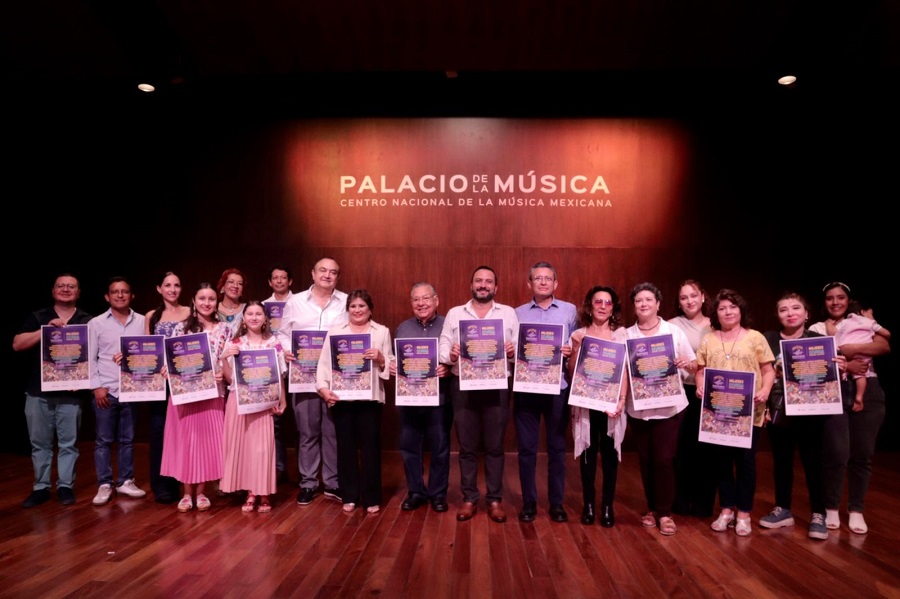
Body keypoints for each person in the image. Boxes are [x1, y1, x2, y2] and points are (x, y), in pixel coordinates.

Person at [809, 282, 890, 534]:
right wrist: (848, 365)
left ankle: (856, 509)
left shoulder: (862, 320)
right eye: (830, 298)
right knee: (836, 452)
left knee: (862, 454)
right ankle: (831, 506)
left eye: (840, 297)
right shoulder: (816, 328)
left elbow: (883, 346)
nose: (835, 302)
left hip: (869, 390)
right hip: (833, 389)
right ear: (824, 302)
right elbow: (815, 358)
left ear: (848, 299)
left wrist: (848, 350)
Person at [439, 266, 518, 523]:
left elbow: (520, 347)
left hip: (497, 386)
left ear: (496, 287)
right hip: (463, 385)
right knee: (467, 446)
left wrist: (511, 351)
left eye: (488, 281)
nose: (483, 285)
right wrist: (449, 354)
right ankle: (469, 498)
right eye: (478, 281)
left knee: (495, 446)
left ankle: (494, 499)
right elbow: (442, 348)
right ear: (471, 285)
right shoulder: (454, 314)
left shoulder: (508, 313)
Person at [696, 289, 775, 537]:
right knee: (721, 463)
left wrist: (765, 389)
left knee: (746, 463)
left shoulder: (756, 338)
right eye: (722, 308)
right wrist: (700, 384)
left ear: (741, 310)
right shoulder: (709, 339)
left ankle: (744, 513)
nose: (728, 312)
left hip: (749, 411)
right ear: (715, 313)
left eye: (732, 307)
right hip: (718, 412)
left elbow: (769, 369)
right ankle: (726, 509)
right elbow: (701, 370)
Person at [14, 274, 93, 507]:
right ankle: (41, 487)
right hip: (38, 392)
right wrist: (45, 331)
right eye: (61, 286)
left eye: (71, 286)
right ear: (53, 291)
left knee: (69, 444)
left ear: (78, 292)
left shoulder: (88, 320)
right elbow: (17, 344)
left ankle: (66, 486)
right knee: (40, 443)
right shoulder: (39, 316)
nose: (66, 289)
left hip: (71, 393)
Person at [624, 282, 696, 536]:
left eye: (648, 300)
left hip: (670, 408)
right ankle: (651, 508)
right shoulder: (626, 335)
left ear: (658, 304)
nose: (644, 304)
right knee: (645, 460)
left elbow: (694, 365)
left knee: (664, 459)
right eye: (639, 301)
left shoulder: (673, 332)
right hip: (639, 408)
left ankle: (665, 512)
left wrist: (687, 363)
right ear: (634, 306)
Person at [759, 292, 832, 540]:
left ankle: (818, 513)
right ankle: (783, 509)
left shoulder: (820, 340)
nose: (790, 313)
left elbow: (829, 374)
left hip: (812, 412)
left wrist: (839, 366)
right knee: (781, 461)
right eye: (783, 309)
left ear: (806, 314)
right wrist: (765, 407)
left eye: (795, 308)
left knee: (814, 463)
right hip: (779, 408)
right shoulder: (767, 340)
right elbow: (760, 374)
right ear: (777, 315)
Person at [317, 289, 392, 514]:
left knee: (370, 448)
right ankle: (349, 494)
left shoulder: (382, 331)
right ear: (347, 309)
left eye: (362, 306)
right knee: (345, 447)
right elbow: (324, 364)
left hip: (370, 399)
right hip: (343, 399)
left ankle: (371, 497)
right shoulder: (335, 332)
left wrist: (380, 358)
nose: (357, 310)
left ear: (370, 309)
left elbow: (389, 364)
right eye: (353, 306)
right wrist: (323, 389)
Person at [513, 262, 577, 523]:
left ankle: (557, 503)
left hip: (557, 387)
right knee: (526, 449)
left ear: (555, 284)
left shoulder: (570, 311)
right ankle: (529, 502)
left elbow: (579, 344)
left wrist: (570, 350)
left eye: (547, 278)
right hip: (526, 389)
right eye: (537, 278)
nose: (542, 282)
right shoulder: (515, 313)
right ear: (529, 283)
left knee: (557, 448)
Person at [281, 257, 348, 506]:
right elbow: (282, 333)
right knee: (308, 433)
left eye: (333, 272)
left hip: (334, 378)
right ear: (312, 273)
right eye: (323, 270)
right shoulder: (295, 301)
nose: (327, 275)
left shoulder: (345, 302)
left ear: (337, 277)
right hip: (304, 377)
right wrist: (288, 350)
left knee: (332, 432)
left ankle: (332, 483)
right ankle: (308, 483)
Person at [160, 283, 231, 512]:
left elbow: (227, 360)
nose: (207, 303)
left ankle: (201, 493)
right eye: (202, 298)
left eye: (211, 299)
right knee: (186, 444)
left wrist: (223, 370)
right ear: (194, 300)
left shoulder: (225, 329)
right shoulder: (180, 329)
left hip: (213, 394)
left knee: (207, 444)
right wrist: (166, 368)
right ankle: (186, 493)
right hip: (184, 395)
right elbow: (169, 359)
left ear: (216, 302)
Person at [390, 282, 453, 513]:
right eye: (416, 299)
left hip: (440, 398)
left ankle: (437, 494)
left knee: (440, 447)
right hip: (409, 399)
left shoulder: (448, 325)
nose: (421, 303)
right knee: (409, 446)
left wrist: (448, 368)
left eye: (426, 298)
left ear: (436, 300)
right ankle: (415, 491)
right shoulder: (402, 328)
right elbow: (397, 360)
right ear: (411, 303)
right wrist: (394, 367)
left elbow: (457, 358)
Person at [568, 286, 628, 527]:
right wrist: (576, 350)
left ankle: (607, 506)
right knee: (588, 455)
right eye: (598, 302)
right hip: (586, 405)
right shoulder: (579, 334)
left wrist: (622, 400)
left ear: (613, 307)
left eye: (608, 302)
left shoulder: (622, 335)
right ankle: (589, 505)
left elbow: (625, 371)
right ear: (589, 306)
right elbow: (572, 372)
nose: (603, 306)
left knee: (610, 455)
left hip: (613, 405)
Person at [220, 301, 288, 513]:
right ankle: (251, 492)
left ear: (266, 318)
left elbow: (279, 376)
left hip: (264, 404)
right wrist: (224, 358)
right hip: (238, 403)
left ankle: (264, 492)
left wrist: (282, 401)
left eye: (259, 313)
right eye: (250, 313)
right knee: (245, 449)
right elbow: (230, 379)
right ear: (244, 317)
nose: (254, 317)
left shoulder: (274, 343)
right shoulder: (235, 343)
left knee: (263, 448)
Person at [87, 277, 148, 506]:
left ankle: (125, 481)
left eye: (125, 292)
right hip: (107, 389)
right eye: (115, 292)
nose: (120, 295)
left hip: (133, 391)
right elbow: (90, 358)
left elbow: (150, 352)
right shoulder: (96, 323)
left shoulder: (143, 321)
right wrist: (97, 387)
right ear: (107, 296)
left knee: (127, 439)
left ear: (132, 296)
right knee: (103, 440)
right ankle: (104, 484)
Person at [668, 279, 716, 518]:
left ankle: (703, 502)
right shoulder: (671, 325)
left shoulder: (715, 324)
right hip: (681, 391)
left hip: (709, 393)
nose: (690, 301)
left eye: (694, 295)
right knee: (681, 447)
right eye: (684, 297)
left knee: (706, 447)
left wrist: (696, 365)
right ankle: (680, 498)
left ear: (703, 296)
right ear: (679, 302)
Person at [144, 271, 192, 504]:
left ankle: (185, 483)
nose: (172, 289)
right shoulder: (152, 316)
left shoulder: (190, 313)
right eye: (167, 285)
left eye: (177, 285)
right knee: (159, 433)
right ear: (159, 288)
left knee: (182, 434)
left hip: (183, 382)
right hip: (159, 386)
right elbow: (147, 349)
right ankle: (163, 486)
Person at [264, 264, 294, 484]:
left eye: (283, 277)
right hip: (272, 366)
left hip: (299, 364)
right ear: (270, 282)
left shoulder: (299, 303)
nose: (279, 281)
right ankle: (277, 468)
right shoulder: (263, 306)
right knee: (275, 420)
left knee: (300, 422)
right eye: (275, 278)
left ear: (289, 281)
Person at [216, 268, 247, 337]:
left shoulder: (247, 309)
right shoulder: (213, 309)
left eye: (240, 284)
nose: (235, 286)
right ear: (223, 286)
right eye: (231, 282)